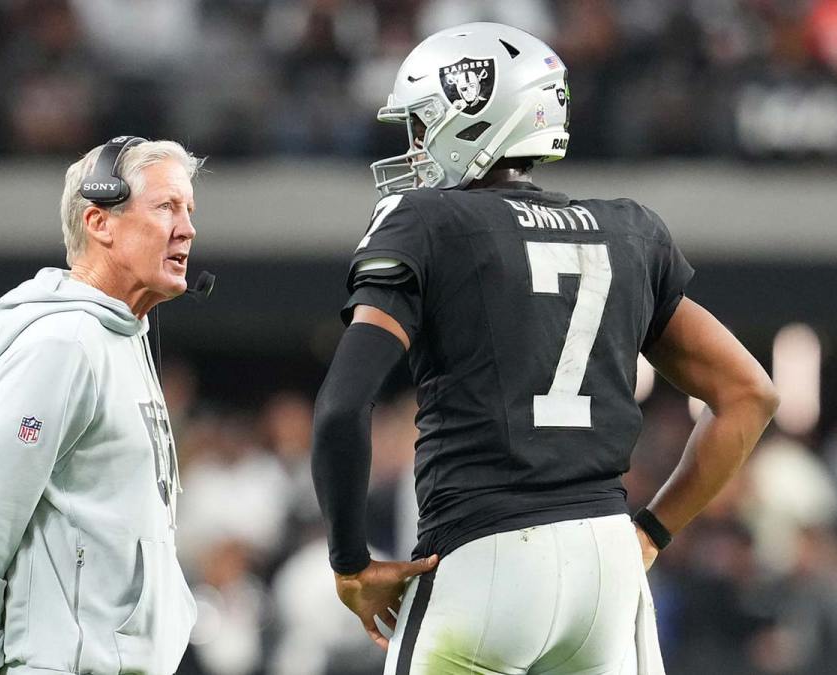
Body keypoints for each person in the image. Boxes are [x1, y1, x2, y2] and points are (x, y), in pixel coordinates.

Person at [311, 22, 779, 675]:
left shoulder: (425, 221)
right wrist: (653, 530)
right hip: (608, 567)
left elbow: (340, 408)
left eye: (423, 125)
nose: (415, 146)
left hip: (483, 559)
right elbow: (749, 393)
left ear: (473, 116)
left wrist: (350, 563)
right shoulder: (629, 229)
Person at [0, 136, 202, 675]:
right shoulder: (63, 343)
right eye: (166, 207)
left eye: (189, 210)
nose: (188, 228)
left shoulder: (120, 336)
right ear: (100, 222)